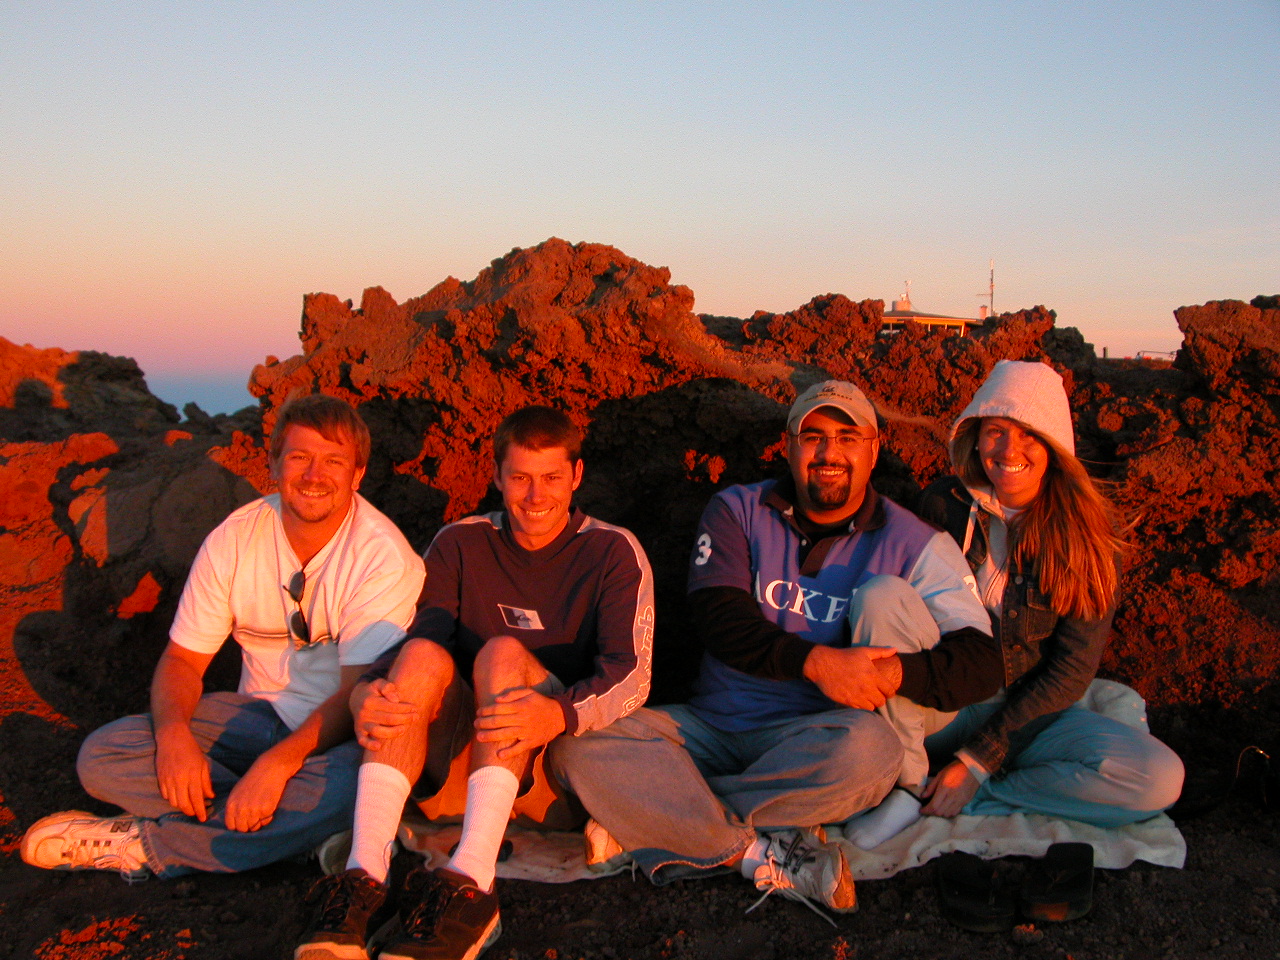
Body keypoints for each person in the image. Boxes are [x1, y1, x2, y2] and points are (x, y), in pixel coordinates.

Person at [550, 380, 1001, 919]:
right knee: (576, 746)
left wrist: (893, 673)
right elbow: (719, 618)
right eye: (813, 436)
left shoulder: (916, 542)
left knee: (875, 754)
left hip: (819, 740)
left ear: (873, 448)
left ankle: (654, 816)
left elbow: (981, 663)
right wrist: (816, 662)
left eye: (848, 438)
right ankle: (744, 840)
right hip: (711, 728)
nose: (829, 453)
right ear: (788, 445)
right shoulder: (738, 509)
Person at [294, 405, 654, 960]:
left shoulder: (612, 551)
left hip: (546, 774)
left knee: (502, 655)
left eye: (551, 478)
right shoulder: (460, 543)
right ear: (497, 476)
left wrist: (559, 713)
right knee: (420, 655)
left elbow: (632, 673)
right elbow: (419, 637)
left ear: (576, 476)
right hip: (460, 766)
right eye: (520, 478)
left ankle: (472, 882)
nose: (536, 496)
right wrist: (368, 688)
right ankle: (365, 875)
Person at [20, 393, 426, 879]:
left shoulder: (382, 558)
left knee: (361, 787)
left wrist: (277, 767)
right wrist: (173, 737)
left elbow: (353, 694)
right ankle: (290, 834)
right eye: (299, 457)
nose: (314, 475)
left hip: (333, 739)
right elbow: (183, 661)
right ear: (273, 464)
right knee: (102, 756)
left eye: (333, 462)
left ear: (357, 475)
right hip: (250, 721)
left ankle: (151, 844)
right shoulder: (235, 538)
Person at [913, 360, 1184, 824]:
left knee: (1158, 779)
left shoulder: (1089, 536)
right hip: (944, 706)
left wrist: (978, 762)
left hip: (1032, 715)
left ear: (1054, 446)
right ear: (975, 437)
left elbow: (1072, 669)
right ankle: (921, 781)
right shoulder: (944, 504)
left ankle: (968, 794)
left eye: (1029, 435)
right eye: (996, 431)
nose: (1009, 449)